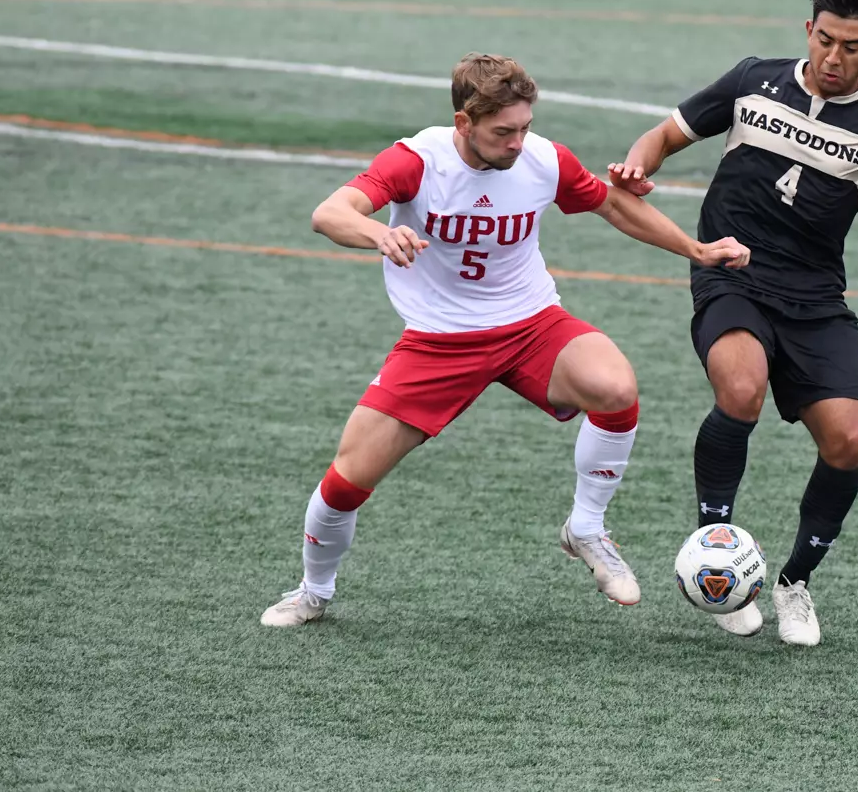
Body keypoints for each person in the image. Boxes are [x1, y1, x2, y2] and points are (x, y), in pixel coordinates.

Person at [261, 53, 750, 627]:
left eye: (525, 127)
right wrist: (377, 231)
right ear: (464, 123)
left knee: (615, 387)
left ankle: (586, 528)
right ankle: (314, 591)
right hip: (439, 341)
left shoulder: (544, 159)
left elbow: (614, 205)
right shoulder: (417, 161)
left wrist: (697, 251)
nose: (518, 142)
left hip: (530, 325)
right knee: (346, 482)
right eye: (503, 131)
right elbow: (330, 212)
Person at [609, 0, 858, 646]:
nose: (833, 58)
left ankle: (794, 581)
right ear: (808, 29)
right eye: (825, 40)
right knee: (740, 388)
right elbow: (661, 136)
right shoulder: (753, 81)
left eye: (851, 47)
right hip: (730, 269)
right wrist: (637, 165)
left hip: (815, 296)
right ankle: (716, 552)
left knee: (848, 438)